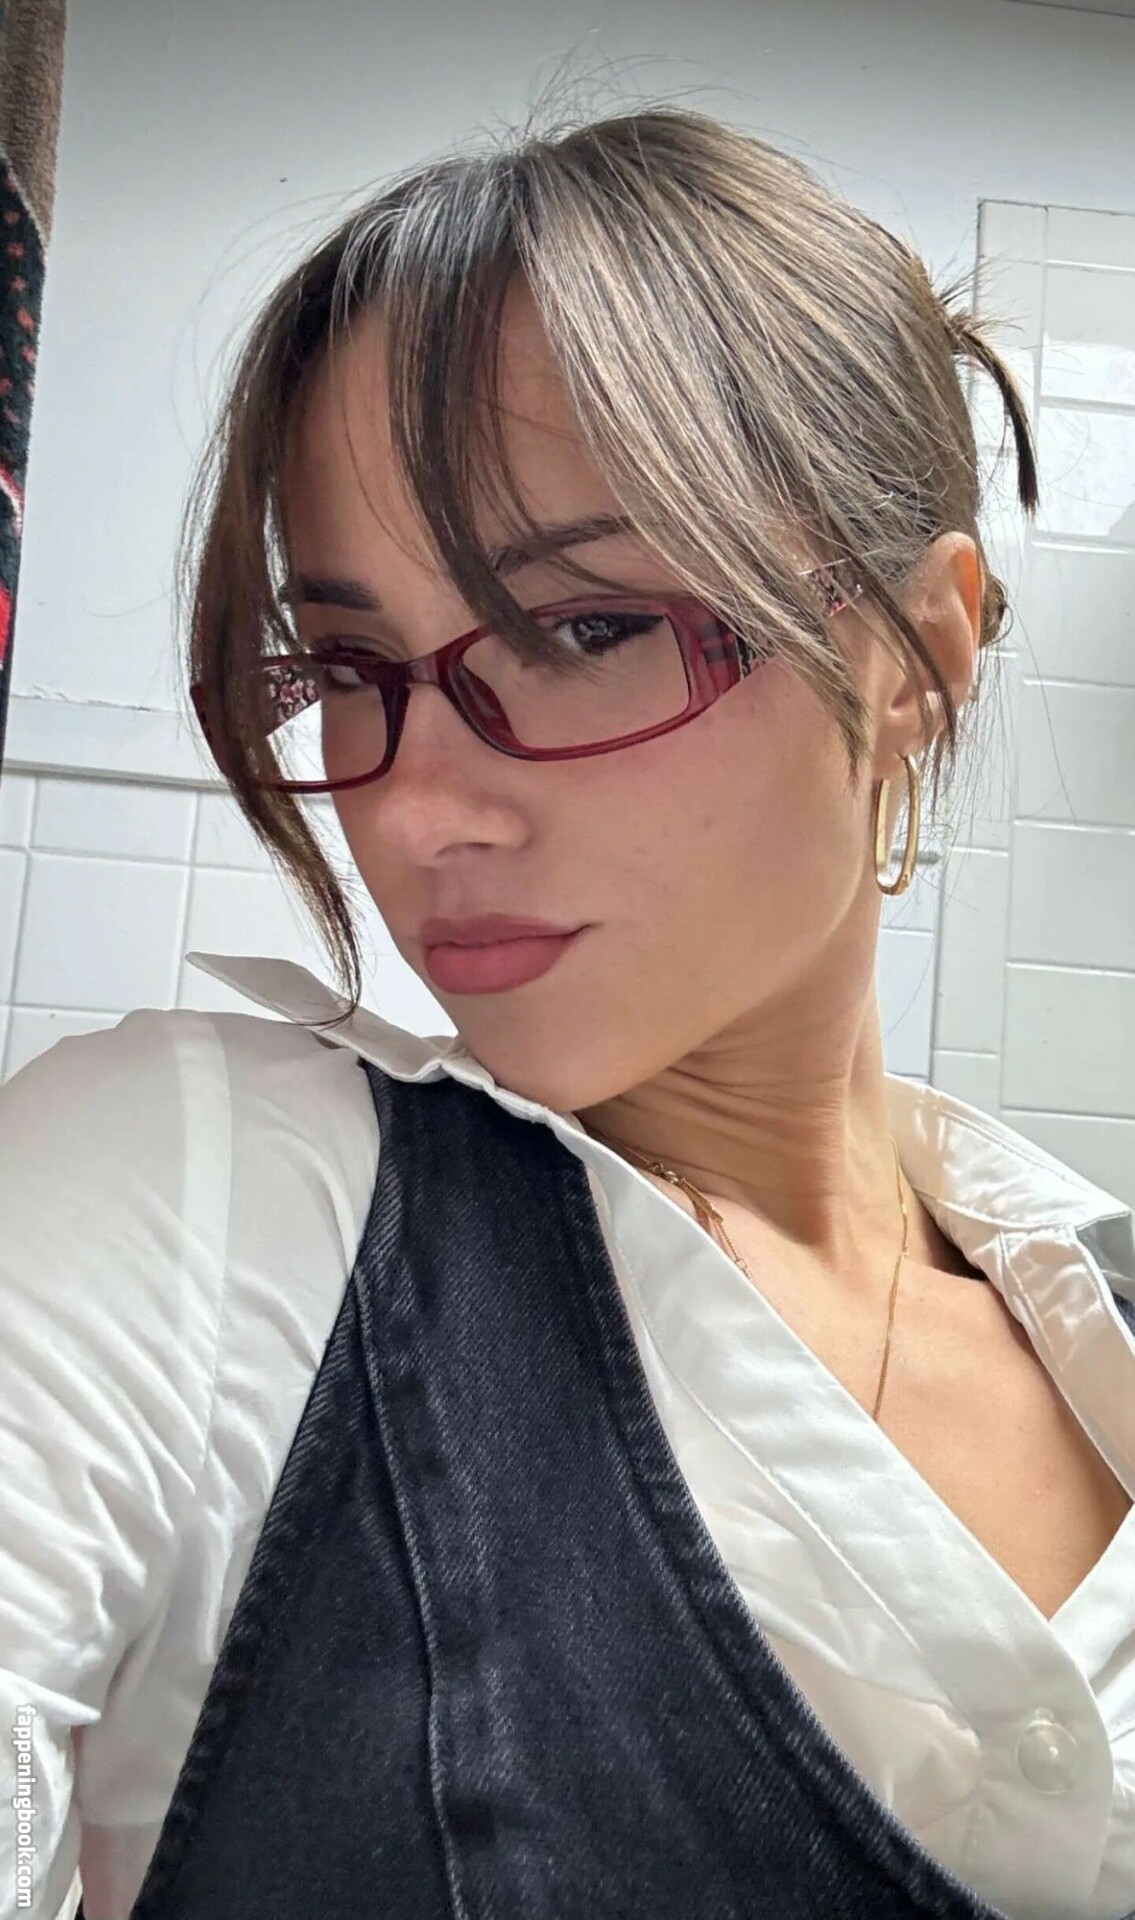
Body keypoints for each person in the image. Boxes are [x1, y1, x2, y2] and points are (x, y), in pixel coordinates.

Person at [2, 104, 1134, 1920]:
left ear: (918, 657)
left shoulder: (1100, 1312)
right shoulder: (192, 1205)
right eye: (351, 664)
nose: (415, 808)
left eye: (588, 629)